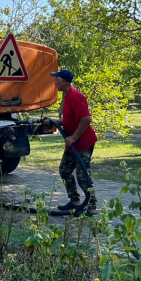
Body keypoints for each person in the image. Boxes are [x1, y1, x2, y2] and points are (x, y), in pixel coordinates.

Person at [50, 69, 98, 215]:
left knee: (82, 175)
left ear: (63, 81)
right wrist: (57, 122)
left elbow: (86, 119)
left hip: (82, 142)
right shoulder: (67, 95)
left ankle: (91, 206)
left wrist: (74, 137)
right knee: (64, 170)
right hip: (73, 144)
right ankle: (75, 201)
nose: (55, 82)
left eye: (56, 80)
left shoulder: (75, 96)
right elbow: (73, 119)